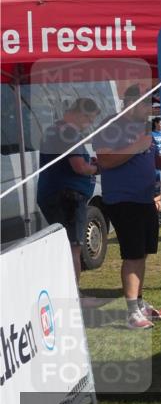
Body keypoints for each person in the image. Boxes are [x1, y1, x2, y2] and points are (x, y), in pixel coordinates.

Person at [95, 85, 161, 329]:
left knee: (143, 253)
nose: (150, 109)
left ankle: (139, 303)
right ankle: (131, 312)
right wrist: (135, 148)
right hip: (123, 199)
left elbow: (153, 158)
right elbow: (104, 159)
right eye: (147, 104)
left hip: (144, 198)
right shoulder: (111, 125)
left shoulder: (144, 128)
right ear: (131, 103)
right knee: (133, 254)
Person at [37, 98, 102, 282]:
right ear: (80, 114)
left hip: (54, 194)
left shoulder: (53, 130)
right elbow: (79, 167)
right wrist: (97, 169)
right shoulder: (69, 133)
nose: (89, 124)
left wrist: (89, 164)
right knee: (73, 247)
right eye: (89, 119)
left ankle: (68, 292)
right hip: (67, 198)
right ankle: (74, 296)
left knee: (64, 246)